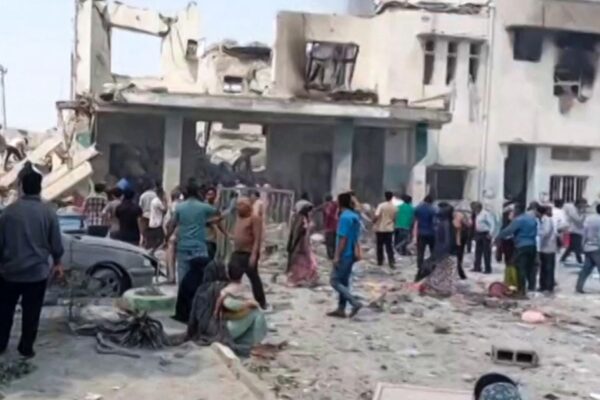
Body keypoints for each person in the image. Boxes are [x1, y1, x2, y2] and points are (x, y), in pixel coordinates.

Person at [0, 165, 64, 358]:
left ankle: (1, 344)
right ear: (39, 187)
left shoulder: (8, 212)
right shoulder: (48, 212)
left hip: (9, 272)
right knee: (31, 313)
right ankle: (26, 347)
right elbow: (56, 242)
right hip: (37, 273)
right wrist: (58, 262)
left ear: (21, 187)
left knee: (4, 312)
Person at [166, 180, 219, 285]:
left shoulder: (180, 207)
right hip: (199, 248)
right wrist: (207, 221)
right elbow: (218, 213)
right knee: (200, 281)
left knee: (183, 280)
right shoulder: (203, 207)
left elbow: (171, 224)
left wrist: (167, 237)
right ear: (198, 192)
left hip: (183, 247)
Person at [216, 259, 268, 347]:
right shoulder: (243, 289)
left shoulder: (224, 289)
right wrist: (247, 304)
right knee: (258, 313)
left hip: (223, 327)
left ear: (228, 274)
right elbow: (232, 305)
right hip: (231, 329)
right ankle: (256, 342)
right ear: (242, 275)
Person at [328, 192, 362, 318]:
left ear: (340, 203)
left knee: (334, 281)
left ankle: (354, 302)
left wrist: (337, 256)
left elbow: (343, 238)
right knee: (344, 281)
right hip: (352, 252)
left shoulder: (344, 218)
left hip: (345, 253)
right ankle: (341, 309)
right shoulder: (354, 216)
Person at [231, 197, 267, 309]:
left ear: (247, 207)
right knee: (233, 274)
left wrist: (254, 255)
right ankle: (232, 298)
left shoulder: (254, 218)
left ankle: (261, 302)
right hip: (237, 251)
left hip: (249, 252)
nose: (237, 207)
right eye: (237, 205)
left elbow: (257, 238)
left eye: (240, 205)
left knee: (253, 277)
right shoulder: (239, 217)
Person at [497, 203, 539, 295]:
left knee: (520, 267)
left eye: (514, 210)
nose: (513, 211)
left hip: (521, 246)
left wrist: (498, 237)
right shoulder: (531, 219)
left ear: (517, 210)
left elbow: (508, 231)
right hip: (532, 246)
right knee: (530, 267)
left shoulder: (519, 220)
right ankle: (531, 288)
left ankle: (521, 289)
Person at [419, 202, 459, 297]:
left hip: (446, 254)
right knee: (445, 273)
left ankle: (439, 289)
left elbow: (445, 242)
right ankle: (443, 289)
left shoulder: (444, 224)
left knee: (441, 272)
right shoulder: (449, 223)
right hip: (449, 253)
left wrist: (438, 255)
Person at [286, 203, 319, 287]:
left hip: (305, 244)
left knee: (308, 262)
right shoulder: (301, 219)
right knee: (303, 262)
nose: (312, 213)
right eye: (310, 211)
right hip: (301, 244)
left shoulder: (305, 219)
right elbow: (298, 233)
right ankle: (297, 279)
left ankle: (304, 279)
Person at [576, 203, 600, 293]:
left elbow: (584, 233)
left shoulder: (589, 219)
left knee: (586, 269)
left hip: (588, 247)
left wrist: (582, 245)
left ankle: (579, 287)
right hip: (597, 248)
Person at [413, 195, 436, 280]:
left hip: (421, 233)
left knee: (420, 252)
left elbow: (415, 221)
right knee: (433, 251)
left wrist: (414, 235)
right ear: (431, 201)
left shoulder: (418, 208)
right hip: (432, 233)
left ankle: (420, 267)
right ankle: (433, 266)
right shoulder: (434, 209)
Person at [374, 191, 397, 268]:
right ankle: (391, 261)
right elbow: (395, 218)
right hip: (389, 229)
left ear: (385, 196)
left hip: (380, 229)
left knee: (379, 246)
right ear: (392, 197)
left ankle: (380, 261)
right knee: (389, 246)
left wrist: (373, 221)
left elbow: (377, 216)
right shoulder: (394, 207)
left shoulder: (381, 205)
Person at [164, 188, 182, 284]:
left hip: (173, 234)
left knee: (171, 256)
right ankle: (172, 276)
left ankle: (171, 277)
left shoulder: (175, 205)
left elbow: (173, 222)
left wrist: (168, 235)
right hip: (176, 233)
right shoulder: (180, 205)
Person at [561, 198, 587, 265]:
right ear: (579, 204)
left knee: (572, 246)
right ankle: (579, 260)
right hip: (574, 230)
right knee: (577, 246)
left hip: (578, 230)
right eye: (583, 204)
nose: (584, 206)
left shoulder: (577, 210)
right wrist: (583, 214)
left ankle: (563, 258)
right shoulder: (573, 210)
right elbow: (578, 221)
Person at [538, 205, 557, 293]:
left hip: (547, 247)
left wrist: (538, 236)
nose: (551, 212)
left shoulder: (546, 220)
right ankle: (546, 286)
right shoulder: (547, 219)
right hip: (548, 247)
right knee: (546, 268)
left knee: (547, 268)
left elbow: (545, 232)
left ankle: (547, 286)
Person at [474, 202, 495, 274]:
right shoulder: (477, 214)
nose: (475, 210)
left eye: (476, 208)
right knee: (478, 251)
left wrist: (490, 233)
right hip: (479, 234)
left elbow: (492, 224)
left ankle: (488, 269)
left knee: (486, 252)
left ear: (479, 207)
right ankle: (477, 267)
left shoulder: (486, 214)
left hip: (485, 234)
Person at [146, 186, 166, 254]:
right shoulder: (158, 202)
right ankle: (153, 251)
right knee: (160, 239)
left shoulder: (154, 200)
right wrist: (165, 201)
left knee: (154, 240)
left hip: (153, 222)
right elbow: (164, 209)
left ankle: (152, 250)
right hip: (157, 223)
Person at [139, 180, 158, 248]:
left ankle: (144, 243)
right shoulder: (155, 195)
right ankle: (151, 244)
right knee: (152, 231)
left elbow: (140, 206)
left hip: (144, 215)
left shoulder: (143, 195)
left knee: (144, 231)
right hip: (153, 215)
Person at [453, 206, 471, 279]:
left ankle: (458, 272)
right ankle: (460, 273)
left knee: (455, 257)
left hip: (456, 239)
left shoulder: (451, 216)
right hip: (459, 240)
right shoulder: (461, 216)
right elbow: (469, 224)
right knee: (459, 257)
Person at [321, 195, 339, 260]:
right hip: (336, 227)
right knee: (334, 242)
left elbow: (327, 214)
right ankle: (334, 255)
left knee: (329, 243)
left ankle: (331, 256)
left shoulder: (326, 206)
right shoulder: (336, 205)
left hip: (329, 228)